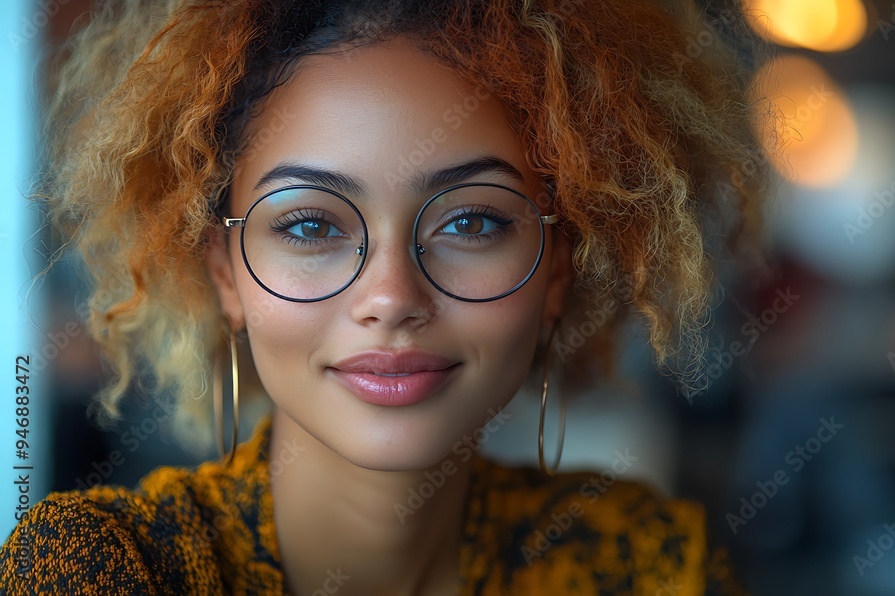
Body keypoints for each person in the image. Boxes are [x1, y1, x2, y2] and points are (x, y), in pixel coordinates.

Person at [1, 0, 769, 593]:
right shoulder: (102, 569)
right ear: (226, 274)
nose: (393, 297)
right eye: (309, 225)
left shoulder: (653, 565)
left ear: (558, 268)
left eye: (471, 221)